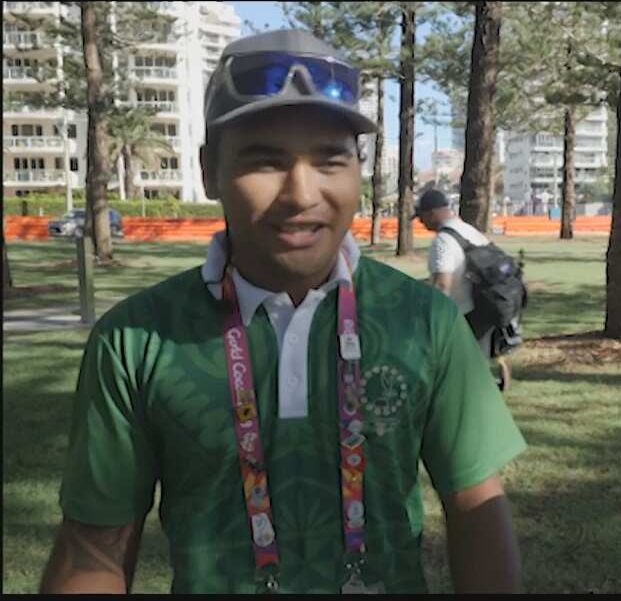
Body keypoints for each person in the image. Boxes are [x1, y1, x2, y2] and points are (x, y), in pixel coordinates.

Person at [40, 29, 526, 595]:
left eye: (329, 159)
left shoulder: (425, 322)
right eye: (264, 160)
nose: (301, 192)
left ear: (357, 172)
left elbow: (478, 512)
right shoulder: (134, 341)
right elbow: (94, 546)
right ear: (209, 171)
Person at [414, 189, 512, 391]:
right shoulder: (468, 230)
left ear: (431, 213)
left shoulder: (443, 241)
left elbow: (442, 284)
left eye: (421, 217)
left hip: (465, 313)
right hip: (486, 308)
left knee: (460, 376)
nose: (421, 223)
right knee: (475, 367)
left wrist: (433, 322)